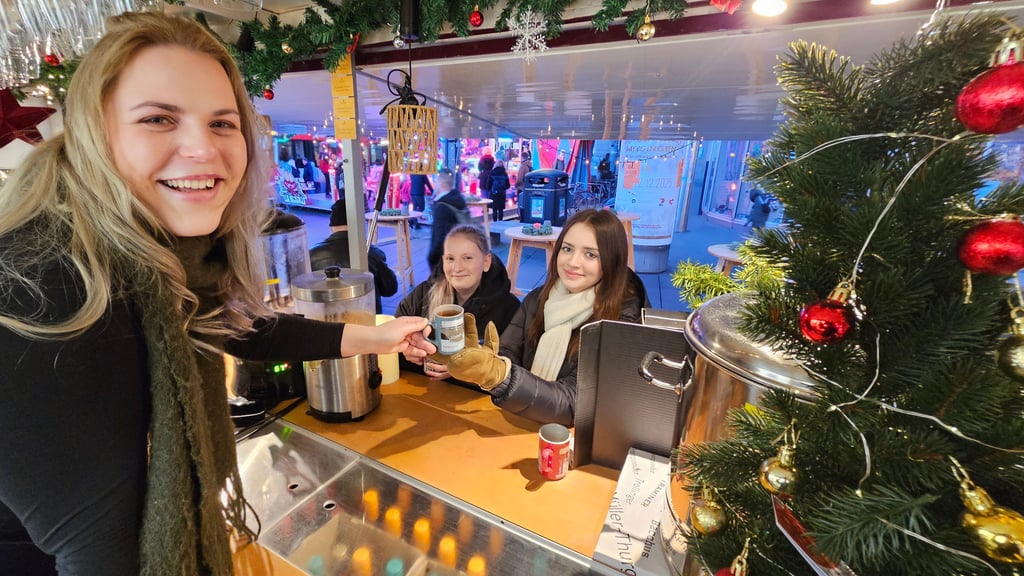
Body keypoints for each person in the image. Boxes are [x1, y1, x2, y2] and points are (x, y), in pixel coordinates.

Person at [0, 12, 433, 576]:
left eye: (223, 123)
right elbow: (101, 551)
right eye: (158, 118)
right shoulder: (47, 283)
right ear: (94, 133)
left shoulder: (163, 256)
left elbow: (235, 324)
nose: (203, 150)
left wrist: (378, 336)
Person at [444, 209, 649, 426]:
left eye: (590, 254)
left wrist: (501, 376)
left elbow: (577, 403)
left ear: (611, 261)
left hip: (572, 441)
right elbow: (508, 351)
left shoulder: (622, 321)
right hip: (519, 419)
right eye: (567, 249)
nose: (572, 262)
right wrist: (480, 360)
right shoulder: (541, 297)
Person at [397, 225, 520, 384]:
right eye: (450, 258)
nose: (457, 268)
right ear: (443, 261)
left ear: (486, 262)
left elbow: (512, 370)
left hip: (473, 401)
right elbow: (390, 343)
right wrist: (407, 352)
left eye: (467, 258)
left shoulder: (509, 308)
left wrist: (467, 368)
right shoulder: (423, 295)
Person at [309, 199, 399, 313]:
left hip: (326, 321)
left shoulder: (313, 254)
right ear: (358, 225)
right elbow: (390, 289)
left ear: (331, 226)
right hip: (367, 318)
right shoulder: (371, 252)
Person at [427, 168, 468, 272]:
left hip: (444, 262)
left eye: (435, 181)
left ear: (440, 183)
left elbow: (440, 238)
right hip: (460, 253)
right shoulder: (458, 199)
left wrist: (431, 258)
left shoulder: (441, 207)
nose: (434, 184)